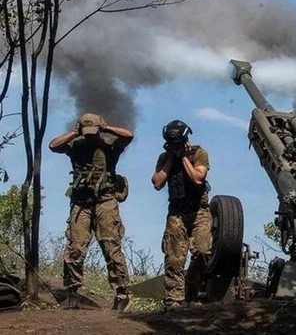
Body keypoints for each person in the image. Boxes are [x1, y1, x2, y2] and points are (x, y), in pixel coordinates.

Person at [48, 113, 133, 312]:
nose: (89, 136)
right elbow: (53, 146)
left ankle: (122, 295)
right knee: (75, 248)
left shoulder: (110, 143)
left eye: (92, 132)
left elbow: (128, 136)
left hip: (105, 201)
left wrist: (107, 127)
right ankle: (72, 293)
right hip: (81, 203)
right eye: (86, 132)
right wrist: (74, 132)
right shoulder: (75, 144)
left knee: (111, 247)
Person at [151, 119, 212, 311]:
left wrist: (184, 158)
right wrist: (171, 158)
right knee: (174, 258)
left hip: (199, 211)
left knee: (202, 250)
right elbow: (157, 182)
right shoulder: (164, 158)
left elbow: (197, 179)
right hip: (176, 212)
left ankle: (191, 289)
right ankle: (174, 301)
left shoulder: (199, 154)